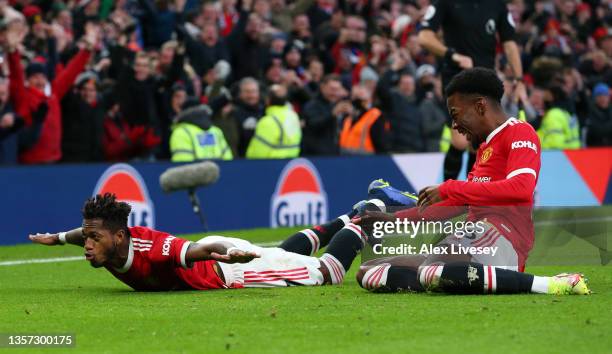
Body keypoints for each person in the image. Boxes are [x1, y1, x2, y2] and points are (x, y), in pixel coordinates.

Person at [354, 68, 590, 296]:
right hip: (471, 238)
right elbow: (455, 205)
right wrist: (393, 221)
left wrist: (451, 186)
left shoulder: (520, 132)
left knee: (432, 271)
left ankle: (549, 284)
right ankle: (461, 278)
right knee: (368, 272)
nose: (454, 125)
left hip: (502, 238)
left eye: (456, 114)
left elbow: (522, 188)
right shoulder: (484, 148)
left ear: (480, 106)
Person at [29, 193, 370, 291]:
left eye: (94, 239)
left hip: (230, 271)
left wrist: (230, 256)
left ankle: (368, 215)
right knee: (280, 254)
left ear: (119, 237)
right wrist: (58, 238)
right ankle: (346, 216)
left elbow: (197, 252)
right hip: (222, 256)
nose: (87, 245)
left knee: (328, 273)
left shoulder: (155, 251)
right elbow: (82, 233)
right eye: (87, 237)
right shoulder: (106, 241)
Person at [418, 0, 523, 180]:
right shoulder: (445, 3)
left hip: (485, 79)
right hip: (456, 77)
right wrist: (452, 55)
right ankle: (448, 192)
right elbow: (425, 37)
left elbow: (509, 43)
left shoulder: (497, 5)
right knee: (459, 141)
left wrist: (519, 78)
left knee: (479, 141)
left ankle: (471, 194)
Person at [5, 21, 96, 164]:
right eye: (35, 77)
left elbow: (71, 72)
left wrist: (87, 50)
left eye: (42, 76)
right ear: (28, 80)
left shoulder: (53, 93)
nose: (39, 80)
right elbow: (16, 75)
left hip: (54, 161)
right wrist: (12, 52)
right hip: (31, 163)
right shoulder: (24, 96)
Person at [246, 84, 301, 158]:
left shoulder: (268, 122)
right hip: (290, 165)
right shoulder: (293, 116)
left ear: (268, 100)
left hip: (270, 166)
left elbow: (257, 154)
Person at [301, 74, 347, 156]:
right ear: (322, 87)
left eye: (338, 90)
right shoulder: (312, 105)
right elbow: (313, 125)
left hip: (333, 154)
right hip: (315, 157)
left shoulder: (335, 104)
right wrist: (332, 114)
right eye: (332, 89)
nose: (335, 93)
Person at [339, 84, 389, 155]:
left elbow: (382, 145)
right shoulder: (348, 118)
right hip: (344, 160)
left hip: (366, 160)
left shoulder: (375, 116)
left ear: (369, 98)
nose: (355, 100)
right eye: (354, 96)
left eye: (359, 96)